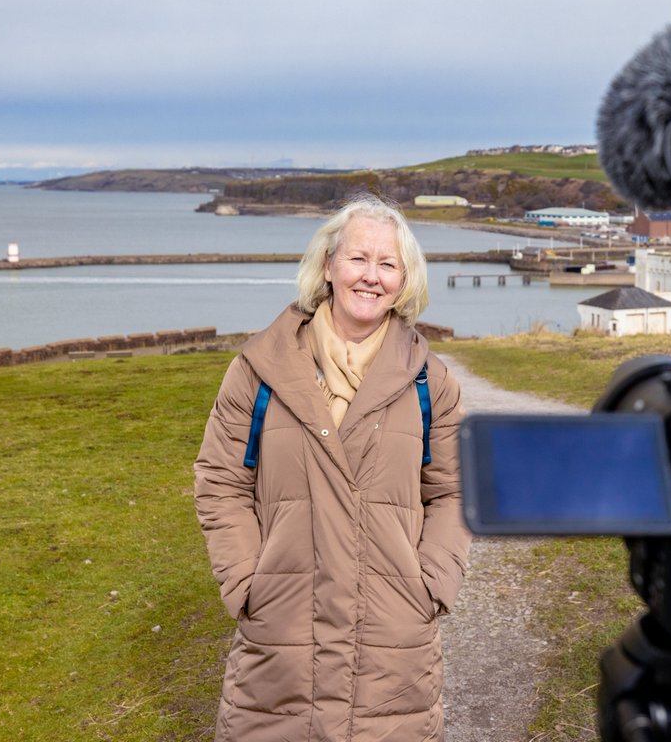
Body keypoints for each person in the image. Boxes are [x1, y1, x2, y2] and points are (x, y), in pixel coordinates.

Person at [194, 192, 470, 741]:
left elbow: (459, 493)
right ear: (328, 266)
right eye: (358, 259)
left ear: (404, 280)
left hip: (393, 636)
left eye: (388, 264)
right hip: (282, 631)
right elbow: (220, 483)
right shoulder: (257, 372)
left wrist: (430, 584)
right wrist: (249, 584)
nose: (372, 276)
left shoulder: (429, 383)